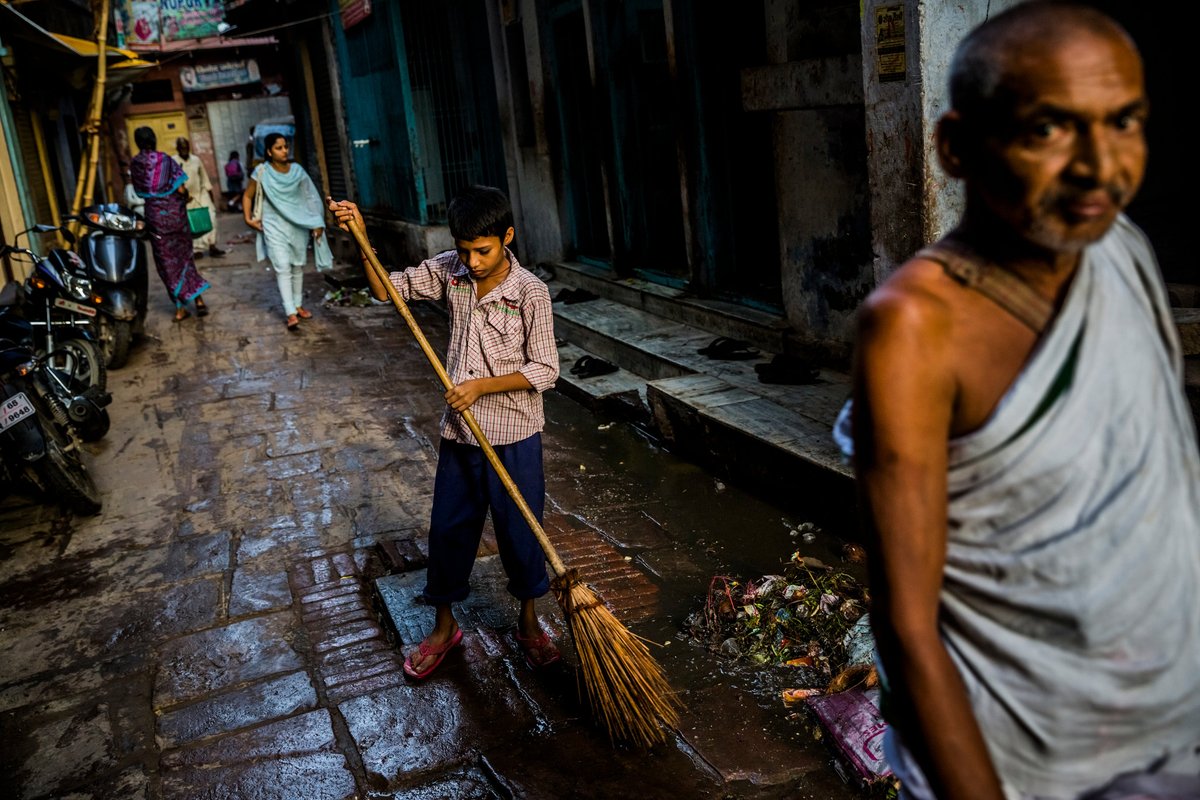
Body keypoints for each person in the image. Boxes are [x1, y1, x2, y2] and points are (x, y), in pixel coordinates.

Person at [842, 4, 1200, 799]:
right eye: (1049, 130)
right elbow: (908, 624)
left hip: (1170, 718)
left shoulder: (1118, 250)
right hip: (1027, 752)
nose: (1098, 167)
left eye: (1123, 123)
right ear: (956, 147)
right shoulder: (913, 330)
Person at [328, 186, 562, 680]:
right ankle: (443, 628)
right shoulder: (450, 272)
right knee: (450, 529)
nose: (472, 262)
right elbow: (385, 290)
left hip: (514, 434)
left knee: (521, 534)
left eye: (484, 250)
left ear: (507, 238)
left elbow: (545, 370)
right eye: (464, 250)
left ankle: (529, 622)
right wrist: (361, 235)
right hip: (461, 435)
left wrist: (481, 387)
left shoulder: (530, 293)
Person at [242, 132, 331, 330]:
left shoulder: (298, 171)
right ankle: (290, 312)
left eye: (285, 147)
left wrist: (317, 221)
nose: (284, 151)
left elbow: (311, 198)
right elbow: (248, 196)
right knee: (282, 266)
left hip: (298, 225)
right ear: (269, 151)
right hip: (273, 226)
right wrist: (248, 219)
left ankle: (298, 305)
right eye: (279, 148)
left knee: (298, 266)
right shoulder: (262, 172)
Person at [129, 126, 211, 322]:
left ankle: (179, 308)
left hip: (156, 219)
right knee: (184, 258)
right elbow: (181, 189)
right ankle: (198, 300)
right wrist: (186, 196)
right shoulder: (164, 159)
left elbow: (140, 193)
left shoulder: (136, 164)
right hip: (176, 217)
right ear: (154, 139)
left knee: (166, 262)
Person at [172, 137, 226, 259]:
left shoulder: (196, 160)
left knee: (211, 218)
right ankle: (197, 250)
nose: (184, 150)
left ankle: (212, 246)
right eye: (181, 148)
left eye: (186, 147)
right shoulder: (174, 161)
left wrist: (211, 197)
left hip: (201, 194)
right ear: (178, 149)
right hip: (185, 198)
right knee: (193, 223)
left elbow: (204, 178)